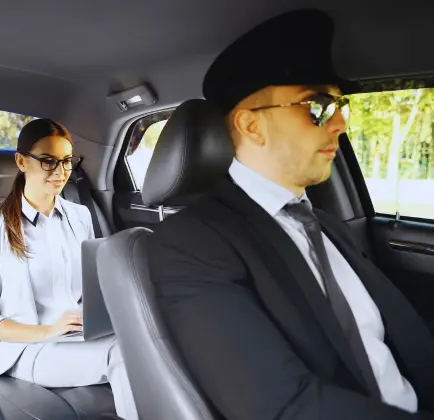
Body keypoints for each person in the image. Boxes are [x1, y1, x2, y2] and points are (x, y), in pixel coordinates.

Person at [147, 9, 434, 420]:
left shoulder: (328, 227)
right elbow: (279, 407)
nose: (340, 124)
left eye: (340, 106)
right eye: (317, 106)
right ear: (251, 126)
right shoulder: (190, 244)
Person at [0, 118, 138, 420]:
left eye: (67, 161)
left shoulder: (80, 215)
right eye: (48, 161)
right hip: (24, 348)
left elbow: (92, 287)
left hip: (79, 336)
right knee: (121, 355)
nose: (60, 172)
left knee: (149, 342)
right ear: (21, 161)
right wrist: (48, 330)